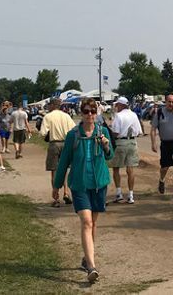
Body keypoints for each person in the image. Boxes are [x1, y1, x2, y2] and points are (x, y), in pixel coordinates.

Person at [52, 98, 113, 284]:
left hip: (98, 183)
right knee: (86, 222)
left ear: (97, 113)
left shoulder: (102, 132)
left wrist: (105, 144)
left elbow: (110, 155)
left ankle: (87, 259)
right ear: (81, 113)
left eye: (93, 111)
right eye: (86, 111)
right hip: (79, 185)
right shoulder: (73, 135)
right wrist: (56, 185)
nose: (90, 115)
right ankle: (92, 267)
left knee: (93, 224)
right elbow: (64, 162)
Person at [40, 98, 76, 207]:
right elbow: (74, 130)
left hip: (54, 143)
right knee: (65, 169)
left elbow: (42, 133)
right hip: (66, 144)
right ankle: (66, 192)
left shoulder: (48, 117)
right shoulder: (66, 116)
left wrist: (46, 136)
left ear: (52, 105)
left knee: (54, 170)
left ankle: (56, 198)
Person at [109, 96, 142, 204]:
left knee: (116, 168)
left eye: (117, 105)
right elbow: (138, 131)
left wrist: (109, 132)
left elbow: (116, 132)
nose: (116, 106)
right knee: (130, 169)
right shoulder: (134, 115)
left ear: (121, 105)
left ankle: (119, 193)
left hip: (121, 142)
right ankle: (131, 195)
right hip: (132, 142)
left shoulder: (118, 116)